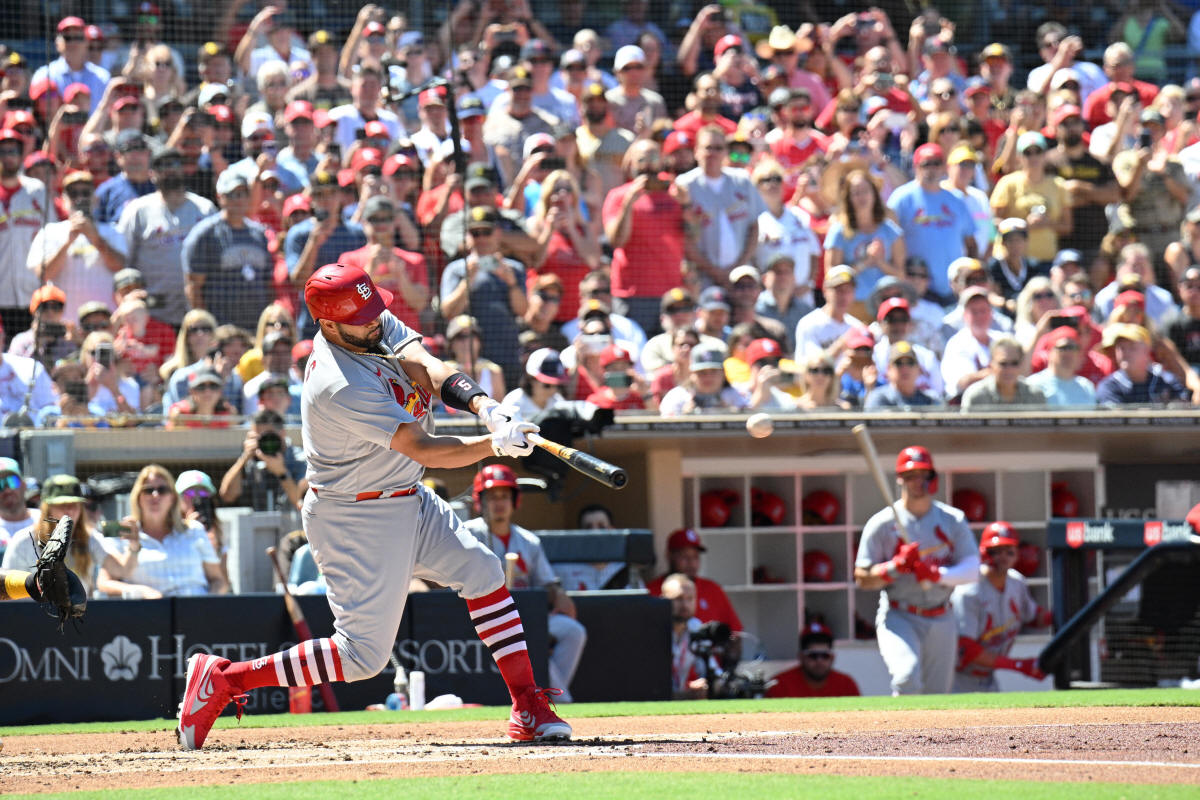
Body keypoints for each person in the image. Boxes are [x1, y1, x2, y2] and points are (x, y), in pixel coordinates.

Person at [175, 262, 572, 750]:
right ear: (328, 324)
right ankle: (224, 679)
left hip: (407, 495)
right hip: (355, 515)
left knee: (483, 571)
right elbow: (423, 448)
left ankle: (528, 705)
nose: (375, 320)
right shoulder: (337, 382)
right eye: (361, 317)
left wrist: (485, 407)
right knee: (361, 657)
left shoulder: (368, 323)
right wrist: (493, 445)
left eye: (373, 310)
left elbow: (426, 366)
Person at [854, 446, 980, 695]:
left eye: (923, 475)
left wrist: (936, 574)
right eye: (911, 476)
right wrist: (894, 567)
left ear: (933, 477)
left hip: (942, 614)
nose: (918, 482)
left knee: (938, 694)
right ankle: (900, 724)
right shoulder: (882, 523)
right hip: (900, 613)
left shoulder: (952, 519)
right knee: (906, 677)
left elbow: (972, 570)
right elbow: (862, 578)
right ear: (900, 479)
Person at [465, 464, 588, 703]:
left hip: (526, 614)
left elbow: (547, 582)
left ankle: (545, 697)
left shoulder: (528, 540)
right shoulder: (468, 534)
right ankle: (558, 700)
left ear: (514, 501)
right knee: (529, 639)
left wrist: (559, 593)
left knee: (573, 631)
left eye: (504, 496)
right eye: (492, 496)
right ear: (480, 501)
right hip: (483, 615)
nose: (499, 503)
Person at [117, 147, 218, 328]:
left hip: (198, 312)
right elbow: (122, 261)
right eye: (162, 166)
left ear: (183, 169)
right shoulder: (137, 211)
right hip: (153, 314)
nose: (170, 170)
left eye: (175, 164)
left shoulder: (205, 209)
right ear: (151, 173)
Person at [96, 464, 229, 600]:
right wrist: (141, 591)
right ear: (137, 497)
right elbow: (103, 583)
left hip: (194, 609)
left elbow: (219, 581)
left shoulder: (195, 529)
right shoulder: (121, 529)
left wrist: (207, 605)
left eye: (162, 490)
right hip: (147, 610)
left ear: (173, 498)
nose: (155, 495)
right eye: (148, 490)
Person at [951, 522, 1052, 692]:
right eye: (995, 551)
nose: (1003, 557)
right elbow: (966, 649)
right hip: (957, 679)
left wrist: (1066, 615)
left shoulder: (1016, 582)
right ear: (983, 552)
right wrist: (1018, 665)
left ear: (1017, 554)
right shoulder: (968, 591)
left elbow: (1034, 617)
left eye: (1009, 551)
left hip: (988, 678)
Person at [27, 170, 128, 320]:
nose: (80, 198)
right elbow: (44, 274)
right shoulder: (49, 231)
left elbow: (120, 266)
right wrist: (68, 242)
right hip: (63, 322)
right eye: (73, 194)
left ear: (95, 198)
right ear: (64, 199)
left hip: (104, 322)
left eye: (85, 193)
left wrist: (96, 239)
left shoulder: (112, 231)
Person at [1, 474, 123, 597]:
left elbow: (120, 570)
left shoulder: (89, 538)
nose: (69, 510)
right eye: (62, 505)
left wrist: (132, 545)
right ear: (47, 508)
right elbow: (5, 588)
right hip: (32, 608)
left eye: (74, 505)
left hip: (77, 608)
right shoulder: (24, 540)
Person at [887, 143, 977, 304]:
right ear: (915, 166)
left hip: (952, 289)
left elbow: (971, 243)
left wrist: (970, 278)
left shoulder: (956, 200)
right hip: (917, 288)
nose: (932, 168)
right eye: (926, 164)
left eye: (936, 163)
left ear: (943, 167)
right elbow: (889, 242)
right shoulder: (901, 199)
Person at [674, 126, 765, 284]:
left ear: (725, 152)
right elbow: (683, 237)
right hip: (702, 276)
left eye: (718, 148)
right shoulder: (684, 184)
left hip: (741, 274)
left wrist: (740, 264)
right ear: (696, 151)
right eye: (708, 148)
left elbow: (754, 227)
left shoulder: (742, 180)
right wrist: (714, 272)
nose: (713, 153)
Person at [0, 127, 58, 336]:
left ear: (21, 154)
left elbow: (53, 238)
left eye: (13, 151)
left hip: (34, 293)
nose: (8, 157)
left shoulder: (37, 190)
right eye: (3, 151)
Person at [646, 528, 742, 631]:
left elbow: (735, 632)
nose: (691, 563)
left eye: (695, 557)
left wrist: (727, 640)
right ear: (669, 555)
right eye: (684, 556)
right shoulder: (650, 592)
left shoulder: (713, 589)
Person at [218, 408, 306, 513]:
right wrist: (243, 459)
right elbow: (227, 496)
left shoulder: (300, 459)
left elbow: (299, 502)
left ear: (282, 433)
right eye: (259, 437)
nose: (265, 442)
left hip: (294, 522)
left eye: (268, 436)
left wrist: (282, 473)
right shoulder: (250, 458)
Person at [1096, 323, 1189, 405]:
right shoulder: (1109, 387)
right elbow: (1115, 418)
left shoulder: (1166, 380)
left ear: (1147, 350)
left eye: (1132, 347)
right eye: (1121, 348)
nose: (1125, 353)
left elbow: (1182, 411)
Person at [766, 621, 861, 698]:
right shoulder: (779, 686)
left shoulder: (847, 685)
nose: (819, 661)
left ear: (832, 657)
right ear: (801, 657)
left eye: (825, 655)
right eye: (813, 655)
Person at [658, 343, 746, 416]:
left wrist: (731, 414)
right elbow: (663, 427)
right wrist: (683, 417)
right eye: (702, 372)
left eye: (713, 372)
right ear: (692, 374)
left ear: (723, 373)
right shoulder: (676, 396)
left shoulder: (736, 394)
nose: (708, 377)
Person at [961, 337, 1043, 411]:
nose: (1009, 369)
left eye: (1014, 363)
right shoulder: (976, 396)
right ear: (991, 364)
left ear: (1021, 364)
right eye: (1003, 364)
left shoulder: (1035, 395)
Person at [661, 572, 707, 699]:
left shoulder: (696, 627)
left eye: (690, 599)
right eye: (678, 599)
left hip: (679, 703)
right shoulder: (649, 630)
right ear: (662, 600)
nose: (685, 605)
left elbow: (709, 670)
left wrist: (705, 684)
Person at [1028, 327, 1098, 407]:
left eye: (1073, 348)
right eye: (1064, 348)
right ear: (1049, 351)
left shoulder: (1086, 387)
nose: (1069, 353)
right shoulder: (1033, 385)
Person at [864, 341, 943, 410]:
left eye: (910, 363)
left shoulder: (931, 400)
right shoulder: (879, 398)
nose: (905, 368)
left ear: (919, 369)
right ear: (888, 369)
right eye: (898, 363)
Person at [0, 458, 38, 554]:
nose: (7, 490)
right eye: (0, 484)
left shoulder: (45, 521)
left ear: (24, 485)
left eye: (12, 481)